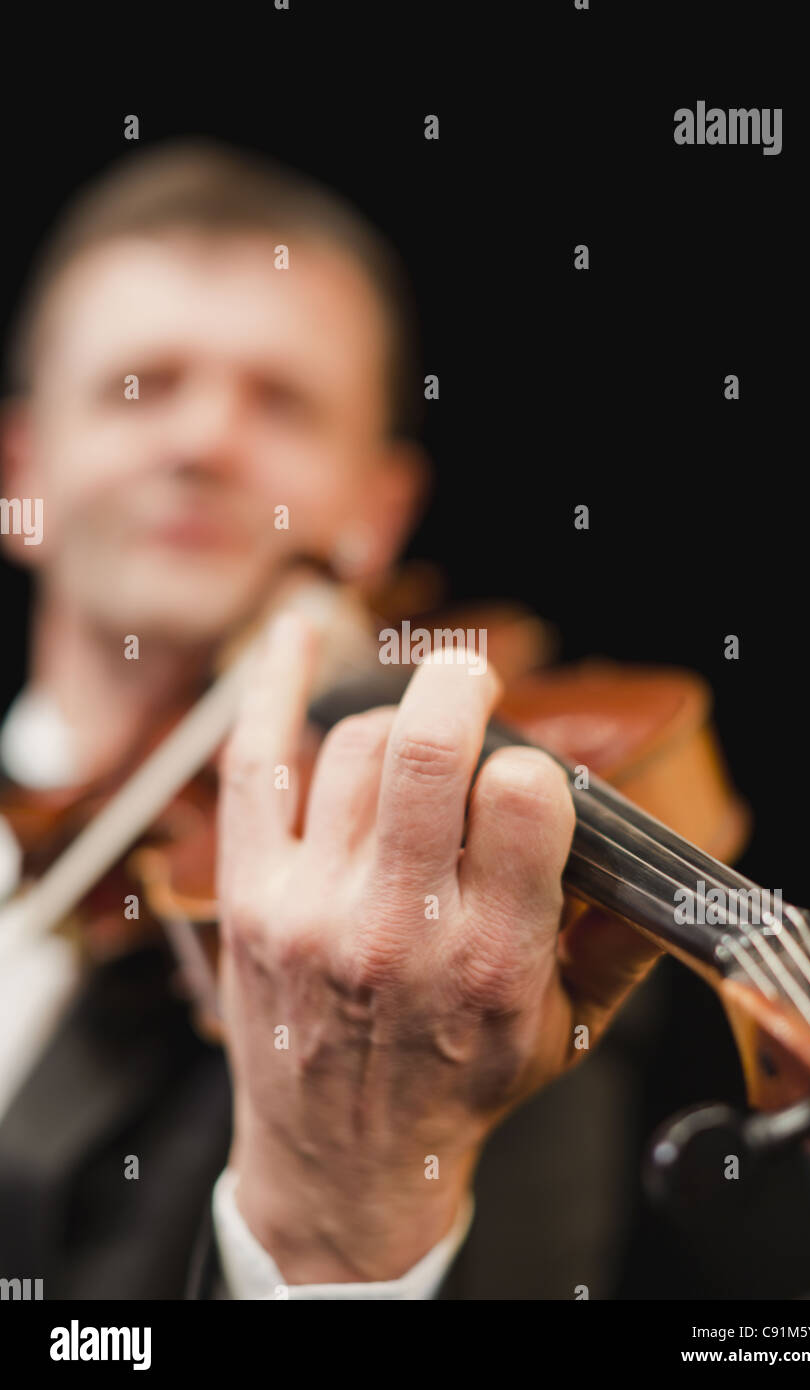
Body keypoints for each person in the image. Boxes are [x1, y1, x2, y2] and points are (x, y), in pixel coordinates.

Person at [0, 139, 662, 1300]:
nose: (202, 444)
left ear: (376, 512)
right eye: (138, 385)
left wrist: (345, 1231)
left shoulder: (446, 946)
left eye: (283, 402)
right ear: (21, 475)